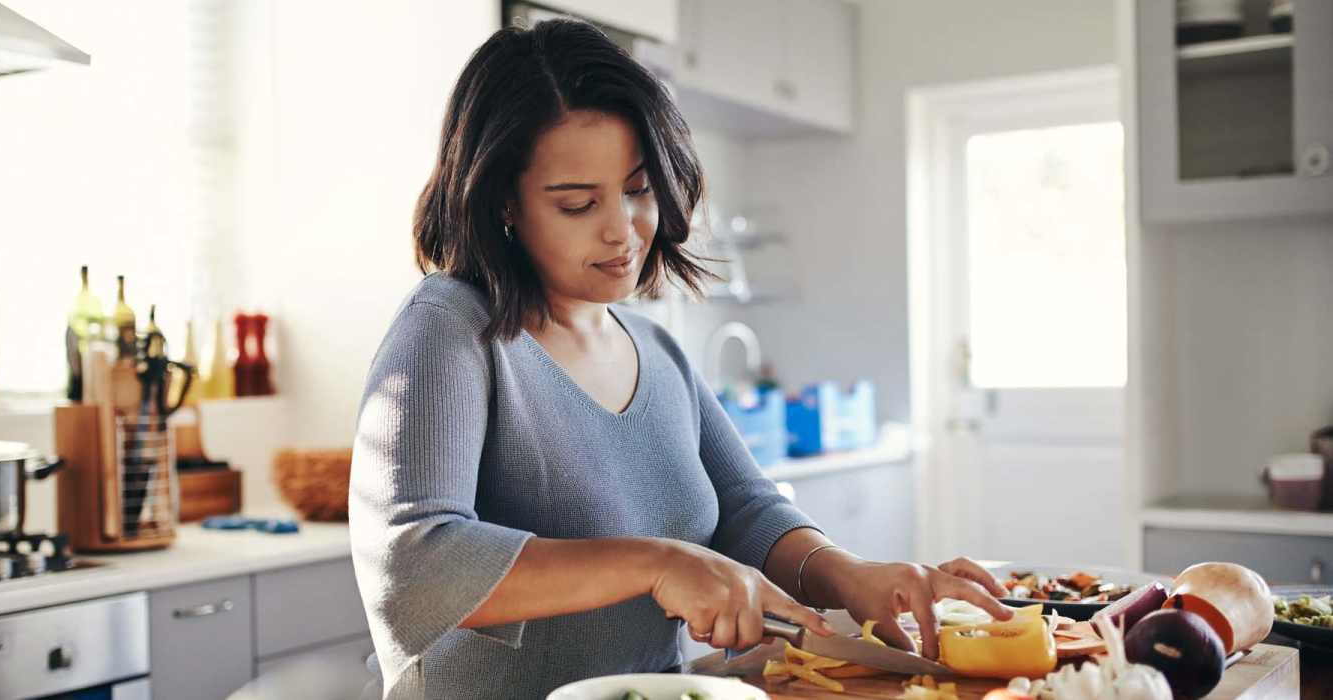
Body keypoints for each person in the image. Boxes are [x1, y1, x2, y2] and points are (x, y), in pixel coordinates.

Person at [349, 18, 1012, 699]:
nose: (624, 228)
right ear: (503, 204)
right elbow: (413, 562)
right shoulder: (449, 328)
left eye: (638, 190)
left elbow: (747, 510)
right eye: (577, 204)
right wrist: (655, 563)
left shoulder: (655, 349)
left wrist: (848, 573)